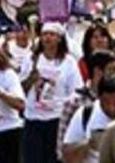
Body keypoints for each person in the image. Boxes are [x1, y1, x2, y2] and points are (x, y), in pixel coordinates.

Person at [21, 22, 83, 163]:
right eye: (44, 34)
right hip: (33, 119)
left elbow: (76, 91)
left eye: (52, 34)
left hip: (56, 119)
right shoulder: (31, 60)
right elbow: (21, 89)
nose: (47, 38)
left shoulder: (69, 63)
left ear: (59, 38)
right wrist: (31, 78)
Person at [56, 50, 115, 162]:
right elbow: (62, 152)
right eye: (112, 70)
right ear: (97, 71)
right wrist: (92, 142)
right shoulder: (74, 103)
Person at [62, 75, 115, 163]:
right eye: (106, 102)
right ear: (99, 98)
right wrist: (89, 144)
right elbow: (67, 156)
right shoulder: (86, 114)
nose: (111, 108)